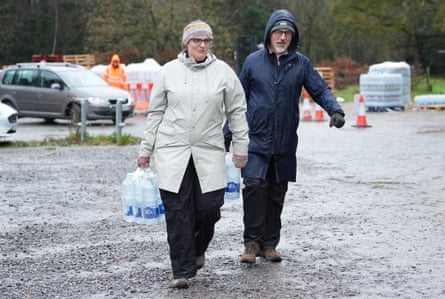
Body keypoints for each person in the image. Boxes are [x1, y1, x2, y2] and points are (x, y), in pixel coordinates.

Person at [225, 9, 345, 264]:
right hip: (255, 138)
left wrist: (334, 110)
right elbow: (237, 100)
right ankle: (251, 243)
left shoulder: (301, 63)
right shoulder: (252, 62)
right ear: (269, 34)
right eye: (278, 32)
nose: (282, 37)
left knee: (277, 192)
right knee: (255, 188)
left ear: (293, 37)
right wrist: (227, 134)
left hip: (284, 139)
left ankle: (269, 244)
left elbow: (320, 89)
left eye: (287, 33)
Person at [137, 20, 249, 289]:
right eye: (196, 40)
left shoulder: (223, 72)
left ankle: (198, 248)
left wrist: (240, 149)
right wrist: (145, 150)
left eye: (206, 40)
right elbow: (155, 114)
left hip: (208, 150)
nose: (201, 45)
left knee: (209, 208)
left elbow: (236, 111)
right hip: (172, 151)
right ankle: (182, 269)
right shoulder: (168, 72)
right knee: (178, 212)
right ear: (185, 43)